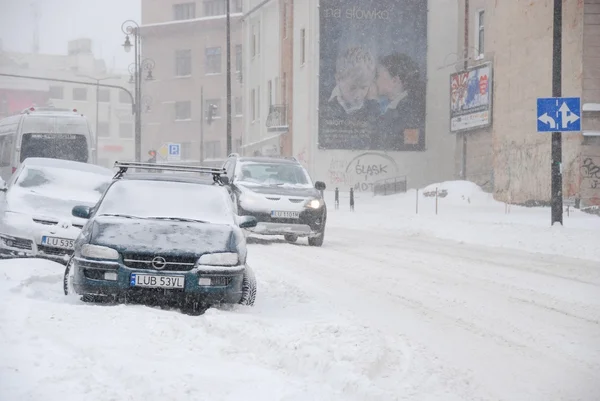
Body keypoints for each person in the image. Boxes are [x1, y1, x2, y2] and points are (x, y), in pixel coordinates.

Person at [320, 46, 380, 149]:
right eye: (352, 88)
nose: (358, 94)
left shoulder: (374, 111)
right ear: (338, 79)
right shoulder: (324, 108)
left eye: (363, 88)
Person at [371, 53, 425, 150]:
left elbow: (411, 148)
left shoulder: (409, 112)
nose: (375, 81)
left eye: (378, 76)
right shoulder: (394, 108)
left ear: (395, 80)